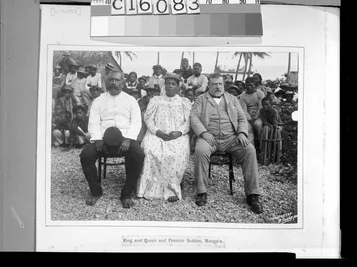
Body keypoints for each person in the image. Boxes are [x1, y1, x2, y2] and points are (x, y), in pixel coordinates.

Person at [190, 73, 263, 214]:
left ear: (224, 85)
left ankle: (253, 195)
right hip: (208, 137)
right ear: (209, 85)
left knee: (250, 150)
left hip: (231, 138)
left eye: (220, 84)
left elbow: (242, 118)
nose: (217, 87)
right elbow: (194, 118)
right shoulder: (201, 100)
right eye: (214, 84)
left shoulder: (233, 99)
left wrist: (242, 132)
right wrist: (203, 133)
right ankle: (201, 191)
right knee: (200, 151)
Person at [79, 70, 144, 208]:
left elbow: (136, 122)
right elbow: (94, 122)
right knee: (86, 155)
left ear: (123, 83)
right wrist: (97, 139)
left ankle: (126, 193)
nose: (114, 83)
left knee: (138, 155)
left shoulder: (130, 100)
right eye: (111, 80)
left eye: (117, 80)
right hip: (102, 140)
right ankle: (96, 191)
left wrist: (128, 139)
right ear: (107, 82)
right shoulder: (99, 100)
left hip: (125, 140)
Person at [137, 73, 192, 202]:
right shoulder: (156, 100)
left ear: (178, 87)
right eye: (168, 83)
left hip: (177, 135)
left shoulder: (184, 102)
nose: (170, 86)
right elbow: (148, 119)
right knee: (150, 150)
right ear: (164, 85)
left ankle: (171, 188)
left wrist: (178, 132)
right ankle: (150, 189)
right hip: (157, 134)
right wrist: (157, 132)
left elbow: (188, 122)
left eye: (173, 84)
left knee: (176, 153)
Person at [239, 77, 265, 146]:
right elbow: (244, 111)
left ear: (255, 86)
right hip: (248, 116)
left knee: (258, 125)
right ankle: (251, 146)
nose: (249, 87)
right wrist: (250, 120)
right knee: (247, 127)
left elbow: (261, 107)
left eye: (251, 85)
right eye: (247, 85)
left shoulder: (260, 94)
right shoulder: (242, 96)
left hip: (259, 115)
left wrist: (256, 117)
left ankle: (260, 144)